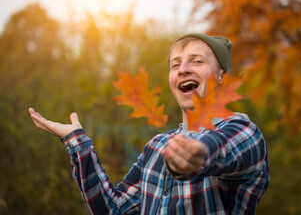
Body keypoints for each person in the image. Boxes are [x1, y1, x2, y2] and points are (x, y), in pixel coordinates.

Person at [29, 33, 270, 214]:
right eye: (175, 65)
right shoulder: (156, 146)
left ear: (221, 76)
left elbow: (220, 147)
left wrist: (198, 154)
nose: (183, 69)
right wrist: (77, 143)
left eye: (196, 61)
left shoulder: (245, 132)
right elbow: (113, 208)